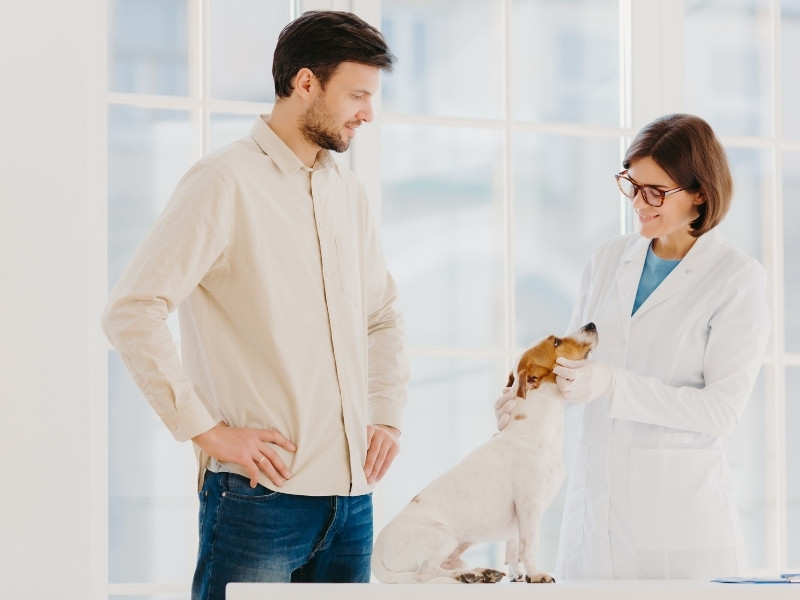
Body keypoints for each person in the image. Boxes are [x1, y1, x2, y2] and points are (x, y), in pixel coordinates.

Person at [102, 10, 409, 599]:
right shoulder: (223, 182)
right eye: (357, 95)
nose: (368, 113)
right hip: (258, 500)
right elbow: (132, 309)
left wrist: (388, 412)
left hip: (351, 503)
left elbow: (382, 314)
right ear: (304, 83)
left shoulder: (348, 191)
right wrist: (206, 431)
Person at [495, 113, 770, 580]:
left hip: (677, 524)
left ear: (700, 192)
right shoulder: (607, 260)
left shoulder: (736, 279)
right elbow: (575, 368)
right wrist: (530, 397)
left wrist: (613, 384)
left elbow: (721, 412)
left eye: (656, 192)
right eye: (632, 184)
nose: (639, 203)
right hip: (594, 516)